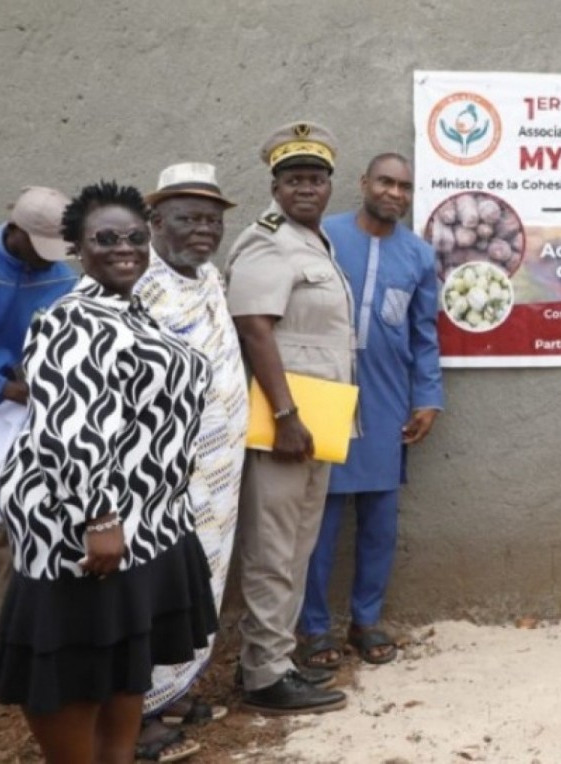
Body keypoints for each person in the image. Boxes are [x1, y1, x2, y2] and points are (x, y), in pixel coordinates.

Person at [0, 181, 218, 763]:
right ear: (77, 246)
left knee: (120, 660)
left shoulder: (129, 310)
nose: (125, 248)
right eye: (106, 238)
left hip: (144, 519)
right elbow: (69, 427)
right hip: (84, 525)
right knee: (74, 661)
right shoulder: (70, 320)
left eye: (135, 237)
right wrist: (99, 517)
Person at [227, 121, 353, 715]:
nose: (306, 187)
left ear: (330, 187)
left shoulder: (314, 241)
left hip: (318, 422)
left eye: (316, 178)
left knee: (297, 544)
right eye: (293, 178)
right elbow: (254, 327)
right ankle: (264, 675)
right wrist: (284, 414)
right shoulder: (267, 240)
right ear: (275, 187)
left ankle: (272, 658)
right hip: (286, 423)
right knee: (273, 547)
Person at [298, 153, 443, 667]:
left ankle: (366, 620)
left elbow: (425, 335)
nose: (395, 193)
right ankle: (314, 629)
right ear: (363, 184)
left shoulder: (419, 256)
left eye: (404, 186)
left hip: (386, 399)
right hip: (324, 392)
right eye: (385, 182)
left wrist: (428, 397)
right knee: (320, 519)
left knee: (380, 521)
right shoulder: (324, 237)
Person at [129, 163, 248, 759]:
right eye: (187, 218)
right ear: (155, 222)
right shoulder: (136, 288)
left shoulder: (207, 281)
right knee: (156, 591)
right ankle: (137, 717)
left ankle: (176, 691)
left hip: (218, 476)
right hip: (161, 484)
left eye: (212, 219)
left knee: (199, 587)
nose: (203, 229)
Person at [0, 186, 77, 631]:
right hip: (6, 398)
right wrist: (5, 389)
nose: (51, 258)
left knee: (14, 527)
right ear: (14, 230)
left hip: (22, 416)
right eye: (41, 247)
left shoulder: (62, 278)